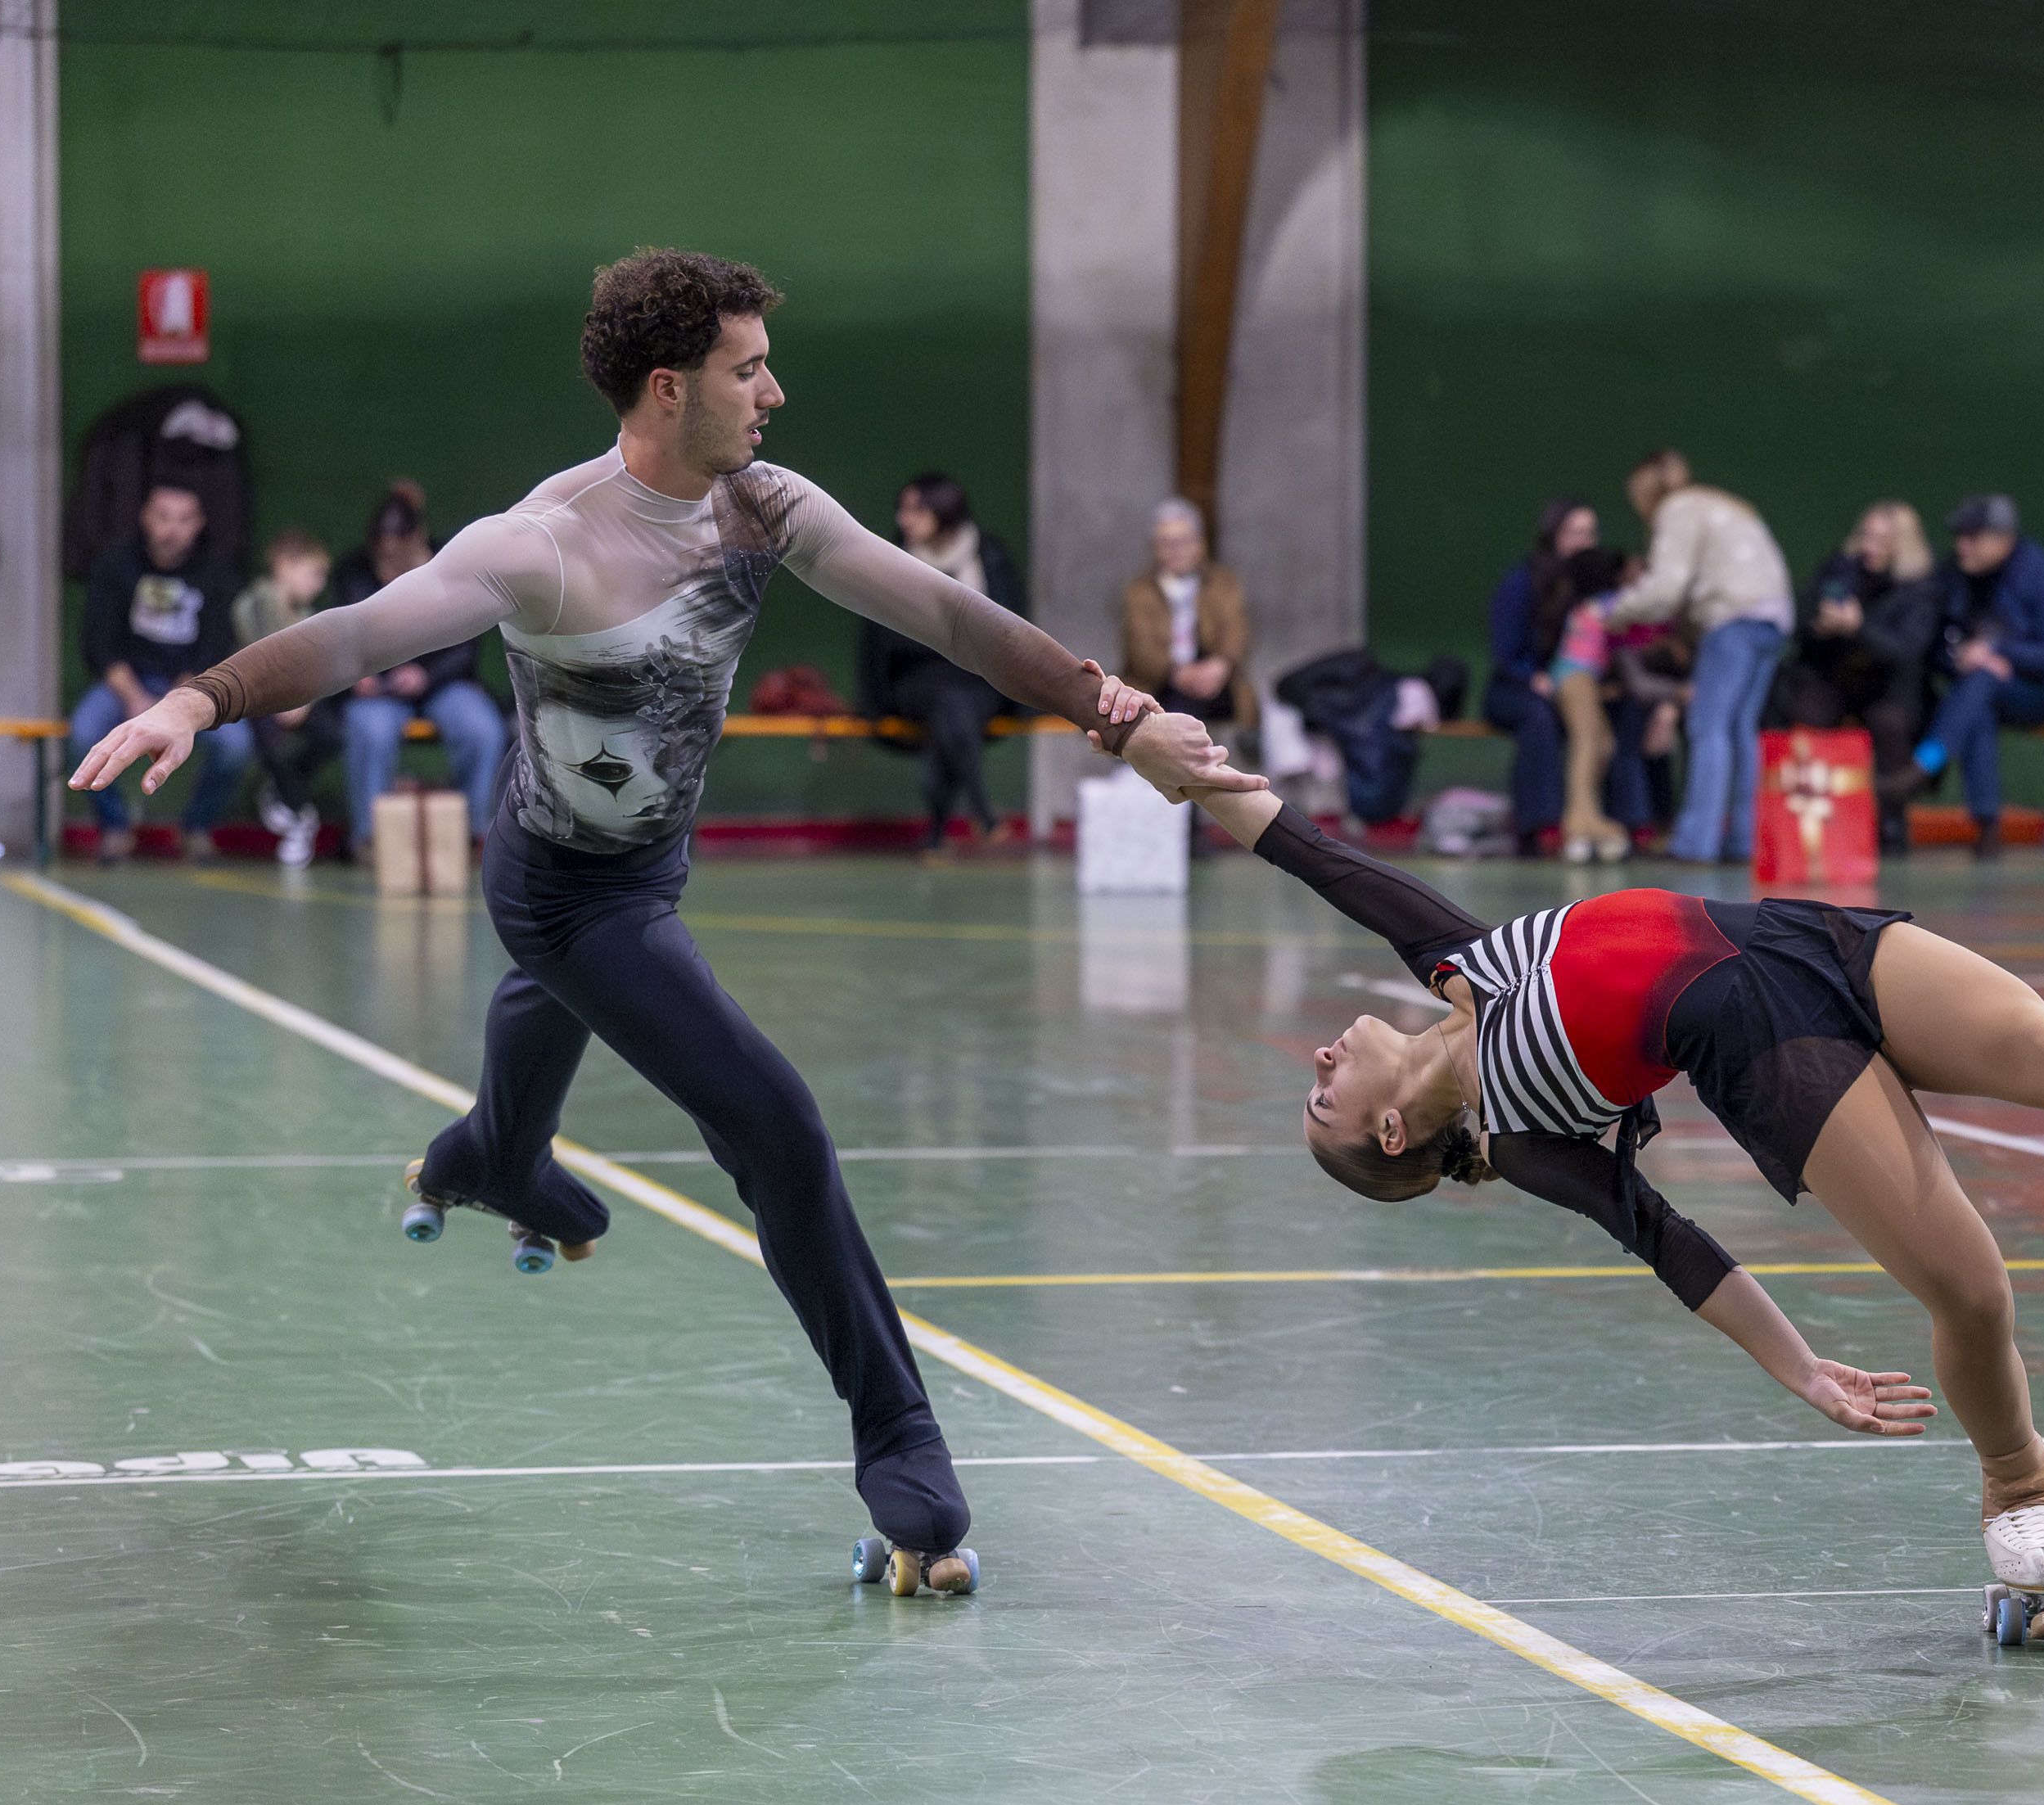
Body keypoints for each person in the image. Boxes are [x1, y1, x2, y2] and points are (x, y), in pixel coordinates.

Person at [73, 248, 1255, 1594]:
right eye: (748, 369)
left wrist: (1120, 714)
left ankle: (490, 1157)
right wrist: (195, 699)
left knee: (552, 1028)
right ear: (666, 386)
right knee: (774, 1120)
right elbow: (357, 633)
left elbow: (951, 616)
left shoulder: (764, 507)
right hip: (566, 886)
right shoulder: (543, 543)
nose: (775, 391)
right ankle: (902, 1444)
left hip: (649, 853)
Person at [1165, 760, 2044, 1621]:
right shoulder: (1529, 1132)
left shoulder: (1452, 962)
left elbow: (1304, 848)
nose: (1321, 1058)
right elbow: (1671, 1242)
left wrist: (1146, 738)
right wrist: (1800, 1368)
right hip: (1768, 1051)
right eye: (1324, 1099)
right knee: (1970, 1283)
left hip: (1802, 936)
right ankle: (2020, 1484)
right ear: (1392, 1131)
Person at [1603, 450, 1794, 863]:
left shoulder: (1677, 509)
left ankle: (1695, 844)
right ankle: (1743, 842)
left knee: (1708, 726)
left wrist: (1616, 612)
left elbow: (1666, 588)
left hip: (1733, 618)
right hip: (1773, 618)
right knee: (1741, 728)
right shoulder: (1723, 502)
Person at [68, 481, 256, 863]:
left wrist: (176, 704)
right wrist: (136, 697)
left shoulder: (217, 572)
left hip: (192, 688)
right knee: (83, 732)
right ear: (146, 518)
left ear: (200, 523)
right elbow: (98, 645)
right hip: (126, 684)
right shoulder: (115, 564)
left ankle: (196, 826)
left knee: (237, 746)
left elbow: (215, 651)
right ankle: (115, 827)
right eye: (163, 518)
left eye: (184, 520)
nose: (172, 530)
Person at [328, 481, 510, 859]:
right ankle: (370, 839)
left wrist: (426, 676)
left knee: (482, 729)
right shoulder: (354, 571)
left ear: (418, 539)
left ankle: (473, 834)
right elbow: (343, 634)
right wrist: (359, 673)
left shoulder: (452, 567)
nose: (389, 565)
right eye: (383, 554)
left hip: (443, 682)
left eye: (398, 553)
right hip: (381, 687)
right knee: (369, 727)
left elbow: (467, 646)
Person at [1886, 496, 2044, 860]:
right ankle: (1988, 829)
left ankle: (1925, 765)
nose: (1961, 545)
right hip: (1976, 692)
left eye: (1972, 537)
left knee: (1982, 684)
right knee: (1979, 706)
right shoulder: (1955, 576)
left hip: (2035, 692)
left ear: (2003, 540)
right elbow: (1936, 647)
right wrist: (1960, 659)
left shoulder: (2036, 572)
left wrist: (1999, 655)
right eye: (1959, 536)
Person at [864, 473, 1027, 851]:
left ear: (944, 511)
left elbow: (1010, 625)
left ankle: (939, 833)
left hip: (980, 681)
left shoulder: (990, 554)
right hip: (915, 679)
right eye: (903, 509)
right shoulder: (892, 558)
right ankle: (982, 811)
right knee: (951, 705)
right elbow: (881, 639)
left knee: (951, 714)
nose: (905, 519)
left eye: (916, 509)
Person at [1769, 501, 1941, 855]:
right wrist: (1822, 626)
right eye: (1866, 535)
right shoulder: (1840, 569)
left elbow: (1906, 651)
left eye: (1882, 540)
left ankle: (1891, 823)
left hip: (1890, 688)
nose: (1869, 547)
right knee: (1808, 711)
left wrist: (1859, 628)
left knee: (1889, 723)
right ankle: (1814, 826)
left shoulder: (1920, 588)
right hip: (1835, 679)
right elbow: (1800, 627)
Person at [1482, 498, 1598, 855]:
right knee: (1539, 717)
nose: (1583, 542)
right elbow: (1505, 651)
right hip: (1512, 689)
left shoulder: (1593, 589)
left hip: (1568, 687)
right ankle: (1537, 826)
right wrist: (1534, 677)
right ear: (1553, 535)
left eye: (1589, 533)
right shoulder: (1523, 582)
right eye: (1574, 532)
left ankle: (1626, 823)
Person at [232, 527, 342, 868]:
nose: (319, 585)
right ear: (284, 566)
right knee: (270, 741)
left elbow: (315, 667)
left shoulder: (309, 615)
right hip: (259, 698)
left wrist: (303, 702)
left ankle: (281, 788)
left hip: (298, 700)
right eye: (314, 573)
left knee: (333, 735)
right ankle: (298, 814)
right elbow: (256, 657)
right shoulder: (251, 604)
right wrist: (283, 700)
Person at [1537, 546, 1642, 862]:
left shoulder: (1592, 607)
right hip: (1574, 678)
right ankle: (1579, 820)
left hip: (1586, 680)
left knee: (1605, 743)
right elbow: (1644, 608)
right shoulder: (1607, 606)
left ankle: (1587, 814)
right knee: (1586, 742)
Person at [1121, 498, 1255, 727]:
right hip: (1161, 680)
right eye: (1166, 543)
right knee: (1171, 711)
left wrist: (1220, 665)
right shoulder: (1140, 591)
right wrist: (1177, 673)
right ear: (1154, 547)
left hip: (1215, 676)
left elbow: (1236, 631)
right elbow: (1139, 648)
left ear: (1199, 543)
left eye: (1184, 541)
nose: (1176, 551)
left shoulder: (1222, 584)